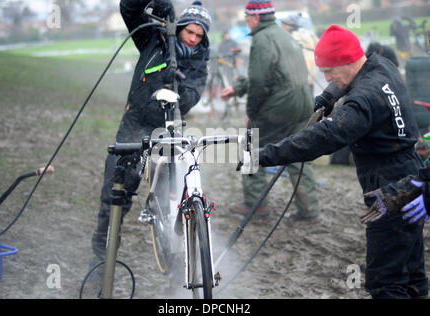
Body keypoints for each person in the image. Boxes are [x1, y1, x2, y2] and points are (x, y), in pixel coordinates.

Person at [258, 24, 428, 299]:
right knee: (411, 270)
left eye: (330, 71)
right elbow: (349, 79)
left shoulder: (362, 102)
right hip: (410, 170)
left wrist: (264, 155)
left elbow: (321, 139)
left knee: (385, 281)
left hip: (388, 187)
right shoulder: (381, 65)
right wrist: (328, 96)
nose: (327, 77)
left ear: (349, 61)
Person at [90, 0, 211, 263]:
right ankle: (102, 258)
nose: (192, 39)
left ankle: (176, 258)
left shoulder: (200, 61)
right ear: (178, 27)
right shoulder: (152, 40)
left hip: (168, 131)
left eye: (199, 35)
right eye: (189, 31)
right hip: (134, 127)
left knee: (176, 197)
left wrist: (174, 86)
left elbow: (192, 96)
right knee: (115, 193)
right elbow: (129, 9)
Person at [220, 0, 319, 220]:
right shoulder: (284, 35)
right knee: (298, 154)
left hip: (280, 105)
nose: (247, 24)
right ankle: (309, 208)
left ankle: (255, 205)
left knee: (251, 146)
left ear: (255, 18)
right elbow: (275, 75)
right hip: (302, 103)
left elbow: (259, 80)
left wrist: (252, 113)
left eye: (247, 20)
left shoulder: (262, 39)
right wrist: (236, 88)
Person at [281, 13, 319, 97]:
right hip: (310, 69)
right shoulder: (306, 33)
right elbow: (318, 45)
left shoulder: (293, 36)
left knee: (302, 97)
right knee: (310, 95)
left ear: (290, 25)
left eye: (284, 25)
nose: (282, 27)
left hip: (300, 72)